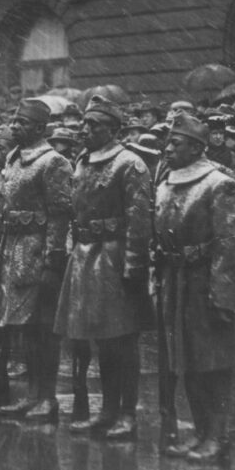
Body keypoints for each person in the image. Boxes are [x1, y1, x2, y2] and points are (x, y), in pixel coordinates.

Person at [153, 113, 235, 462]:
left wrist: (223, 295)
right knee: (188, 362)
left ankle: (218, 435)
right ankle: (199, 432)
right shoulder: (166, 181)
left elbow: (232, 243)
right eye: (168, 142)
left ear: (197, 148)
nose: (167, 149)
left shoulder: (218, 183)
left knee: (214, 363)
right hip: (177, 283)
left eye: (176, 143)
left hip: (207, 285)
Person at [54, 95, 153, 439]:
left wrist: (135, 266)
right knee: (99, 340)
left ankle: (128, 414)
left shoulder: (130, 164)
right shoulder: (82, 160)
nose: (85, 129)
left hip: (115, 258)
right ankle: (108, 409)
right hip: (85, 257)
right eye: (84, 123)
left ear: (113, 129)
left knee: (123, 340)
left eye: (94, 124)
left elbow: (140, 221)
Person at [0, 99, 71, 420]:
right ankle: (32, 396)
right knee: (23, 329)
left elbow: (60, 215)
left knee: (41, 330)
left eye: (22, 123)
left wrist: (53, 260)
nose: (15, 127)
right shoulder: (13, 159)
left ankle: (46, 398)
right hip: (11, 249)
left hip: (36, 250)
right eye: (14, 121)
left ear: (40, 128)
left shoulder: (53, 162)